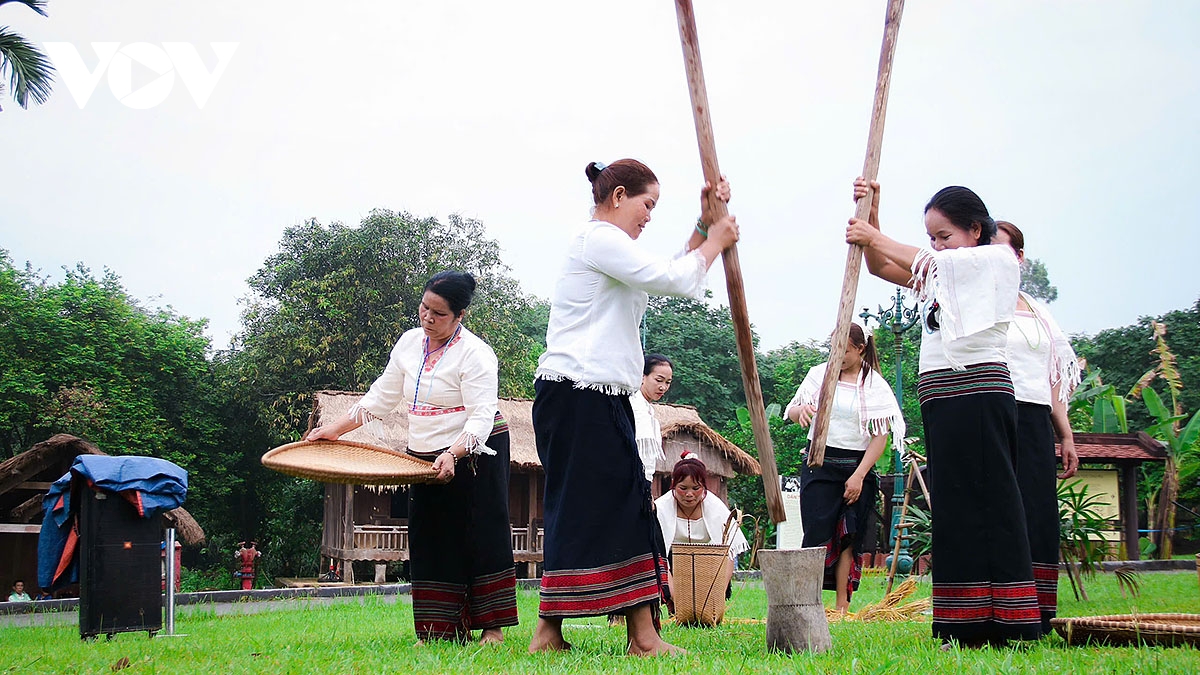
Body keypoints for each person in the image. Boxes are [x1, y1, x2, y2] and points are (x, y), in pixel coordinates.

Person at [529, 158, 739, 656]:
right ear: (619, 195)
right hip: (579, 395)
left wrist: (703, 225)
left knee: (596, 506)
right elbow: (672, 278)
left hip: (593, 397)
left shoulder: (611, 249)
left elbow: (666, 271)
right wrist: (716, 240)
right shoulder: (598, 239)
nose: (649, 216)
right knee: (620, 504)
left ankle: (554, 632)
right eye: (648, 205)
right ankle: (640, 637)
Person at [846, 178, 1041, 646]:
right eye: (931, 237)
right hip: (941, 396)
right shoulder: (938, 273)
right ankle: (962, 619)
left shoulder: (994, 260)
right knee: (952, 504)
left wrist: (873, 234)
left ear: (975, 230)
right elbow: (879, 265)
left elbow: (921, 259)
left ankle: (1009, 617)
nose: (937, 244)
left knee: (993, 500)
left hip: (981, 392)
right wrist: (872, 212)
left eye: (945, 235)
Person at [306, 271, 517, 645]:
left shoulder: (476, 354)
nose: (427, 318)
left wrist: (454, 453)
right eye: (424, 307)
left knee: (479, 533)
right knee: (428, 535)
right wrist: (334, 430)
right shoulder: (408, 343)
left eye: (439, 313)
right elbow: (380, 398)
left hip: (475, 451)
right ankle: (438, 630)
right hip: (422, 455)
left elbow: (482, 416)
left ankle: (492, 629)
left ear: (460, 315)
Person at [994, 220, 1081, 635]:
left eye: (1002, 250)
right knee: (999, 509)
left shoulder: (1039, 312)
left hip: (1034, 418)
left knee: (1038, 510)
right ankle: (1000, 608)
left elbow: (1053, 376)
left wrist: (1065, 434)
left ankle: (1039, 610)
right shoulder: (978, 303)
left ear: (1019, 257)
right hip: (992, 412)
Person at [785, 322, 904, 613]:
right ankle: (808, 604)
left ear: (860, 349)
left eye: (845, 351)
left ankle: (842, 608)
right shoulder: (818, 374)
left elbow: (880, 437)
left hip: (856, 467)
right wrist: (801, 411)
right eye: (833, 350)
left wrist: (859, 476)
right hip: (819, 462)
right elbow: (793, 410)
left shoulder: (875, 384)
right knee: (816, 535)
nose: (837, 357)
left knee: (849, 537)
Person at [653, 452, 750, 604]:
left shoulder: (716, 507)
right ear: (673, 485)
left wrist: (718, 592)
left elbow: (729, 552)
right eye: (683, 488)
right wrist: (675, 598)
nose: (689, 494)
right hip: (671, 565)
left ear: (704, 486)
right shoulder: (661, 509)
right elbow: (658, 555)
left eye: (696, 488)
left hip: (709, 564)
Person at [631, 354, 674, 483]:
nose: (663, 387)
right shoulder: (634, 406)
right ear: (642, 377)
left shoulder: (648, 410)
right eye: (658, 380)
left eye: (667, 382)